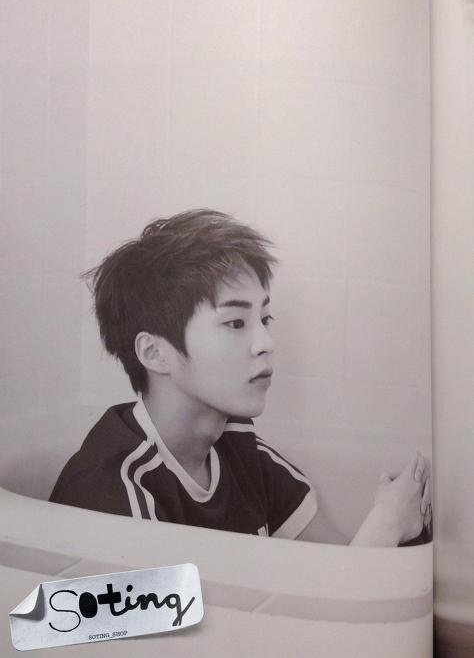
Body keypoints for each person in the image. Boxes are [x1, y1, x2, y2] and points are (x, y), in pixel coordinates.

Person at [50, 209, 431, 545]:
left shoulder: (239, 446)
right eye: (235, 323)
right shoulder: (111, 490)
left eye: (264, 318)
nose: (265, 343)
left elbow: (338, 567)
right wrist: (387, 524)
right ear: (155, 353)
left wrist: (395, 523)